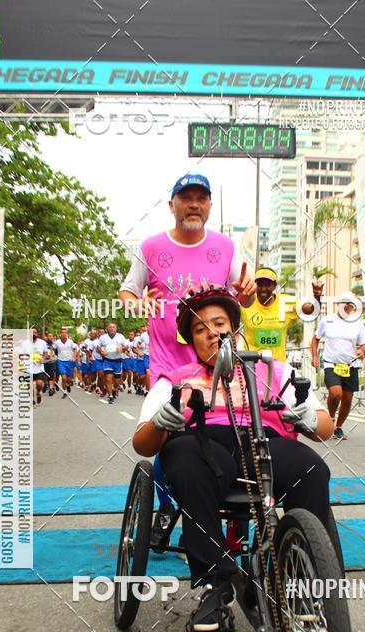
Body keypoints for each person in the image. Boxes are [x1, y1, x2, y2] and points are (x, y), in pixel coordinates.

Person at [132, 287, 334, 632]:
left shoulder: (272, 370)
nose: (211, 332)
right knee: (188, 462)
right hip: (202, 445)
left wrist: (312, 420)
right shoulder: (175, 380)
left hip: (263, 445)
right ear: (192, 341)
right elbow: (142, 445)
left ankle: (304, 582)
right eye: (199, 329)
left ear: (235, 330)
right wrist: (161, 423)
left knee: (313, 468)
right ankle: (214, 584)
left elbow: (324, 426)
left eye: (218, 323)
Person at [119, 173, 255, 543]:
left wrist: (246, 293)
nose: (194, 204)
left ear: (209, 205)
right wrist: (138, 303)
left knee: (230, 428)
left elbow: (242, 299)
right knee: (166, 433)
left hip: (216, 363)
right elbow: (128, 293)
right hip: (168, 365)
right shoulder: (149, 247)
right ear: (172, 205)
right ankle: (167, 505)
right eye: (186, 197)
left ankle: (233, 513)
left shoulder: (226, 246)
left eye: (201, 198)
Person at [311, 293, 365, 441]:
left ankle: (338, 427)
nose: (347, 306)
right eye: (344, 303)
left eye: (350, 304)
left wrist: (361, 350)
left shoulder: (358, 323)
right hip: (331, 363)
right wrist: (315, 357)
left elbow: (364, 343)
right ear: (339, 304)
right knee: (336, 393)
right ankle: (330, 418)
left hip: (351, 365)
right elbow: (315, 339)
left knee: (348, 399)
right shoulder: (327, 321)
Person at [239, 266, 297, 362]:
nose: (263, 289)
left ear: (274, 286)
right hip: (251, 366)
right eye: (260, 284)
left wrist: (317, 298)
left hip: (278, 367)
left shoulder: (286, 302)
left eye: (268, 285)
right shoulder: (246, 302)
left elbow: (309, 310)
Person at [98, 322, 127, 404]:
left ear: (116, 328)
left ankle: (115, 388)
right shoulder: (103, 337)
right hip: (107, 360)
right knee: (108, 378)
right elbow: (98, 347)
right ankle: (110, 396)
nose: (111, 329)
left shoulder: (120, 336)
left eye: (113, 327)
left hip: (117, 360)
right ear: (107, 329)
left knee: (117, 381)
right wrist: (101, 352)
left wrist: (122, 348)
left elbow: (126, 346)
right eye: (110, 327)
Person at [53, 327, 79, 398]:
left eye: (65, 333)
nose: (64, 334)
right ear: (60, 334)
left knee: (69, 378)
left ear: (67, 334)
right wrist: (51, 357)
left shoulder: (70, 342)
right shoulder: (57, 342)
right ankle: (64, 391)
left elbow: (75, 349)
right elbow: (52, 348)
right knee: (64, 377)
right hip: (61, 361)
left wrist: (74, 357)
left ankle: (68, 384)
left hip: (69, 361)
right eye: (62, 333)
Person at [28, 326, 49, 406]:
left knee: (39, 384)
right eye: (32, 332)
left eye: (35, 332)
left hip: (39, 367)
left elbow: (46, 353)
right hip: (28, 367)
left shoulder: (42, 342)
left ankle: (38, 393)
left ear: (37, 334)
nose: (33, 334)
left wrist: (43, 358)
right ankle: (31, 399)